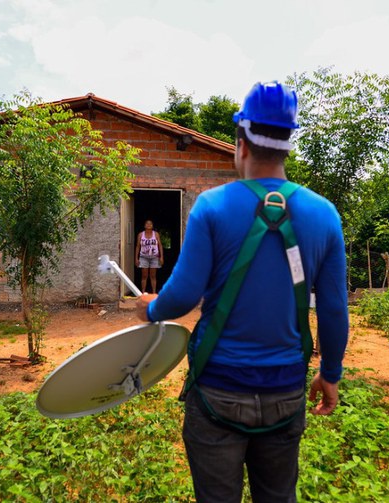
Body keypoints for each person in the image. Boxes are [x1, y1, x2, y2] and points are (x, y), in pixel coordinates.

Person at [136, 81, 348, 502]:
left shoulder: (212, 207)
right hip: (286, 392)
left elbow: (181, 296)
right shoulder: (324, 215)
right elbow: (334, 309)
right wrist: (331, 373)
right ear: (288, 144)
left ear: (241, 144)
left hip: (218, 392)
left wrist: (149, 309)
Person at [134, 219, 164, 294]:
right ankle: (143, 293)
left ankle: (154, 293)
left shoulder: (156, 234)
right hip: (143, 257)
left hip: (154, 257)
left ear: (152, 226)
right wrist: (136, 258)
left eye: (150, 224)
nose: (149, 225)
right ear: (144, 226)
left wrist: (161, 257)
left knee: (153, 276)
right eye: (147, 224)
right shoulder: (141, 235)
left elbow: (160, 245)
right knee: (144, 276)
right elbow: (138, 246)